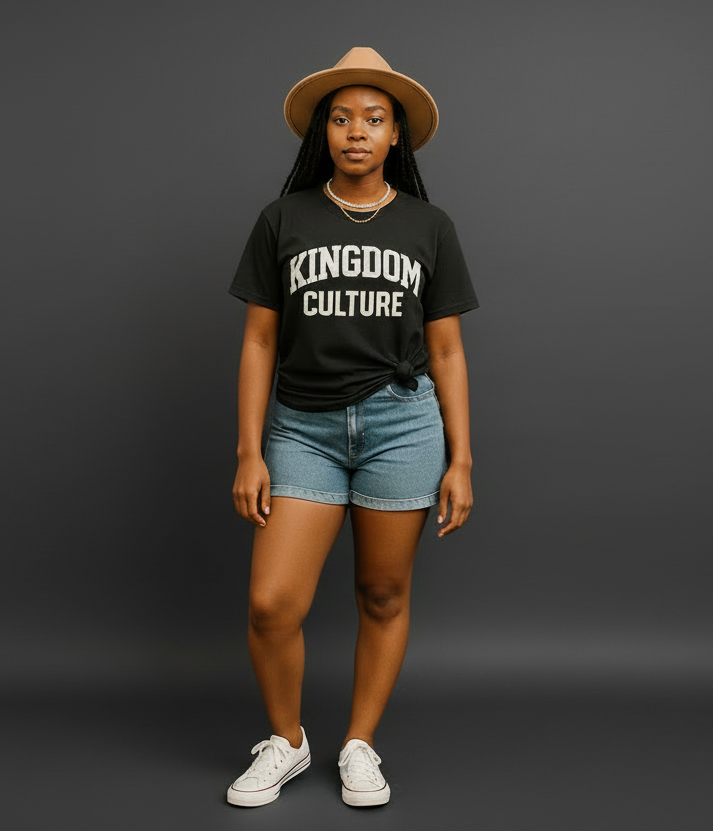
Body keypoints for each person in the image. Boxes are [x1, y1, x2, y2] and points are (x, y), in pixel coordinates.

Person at [226, 47, 479, 808]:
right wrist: (248, 450)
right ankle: (289, 742)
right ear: (322, 134)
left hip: (401, 426)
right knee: (272, 603)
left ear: (396, 134)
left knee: (381, 592)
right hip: (300, 428)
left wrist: (462, 458)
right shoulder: (283, 219)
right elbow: (259, 341)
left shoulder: (428, 226)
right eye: (341, 119)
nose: (356, 132)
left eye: (373, 119)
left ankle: (360, 745)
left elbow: (446, 351)